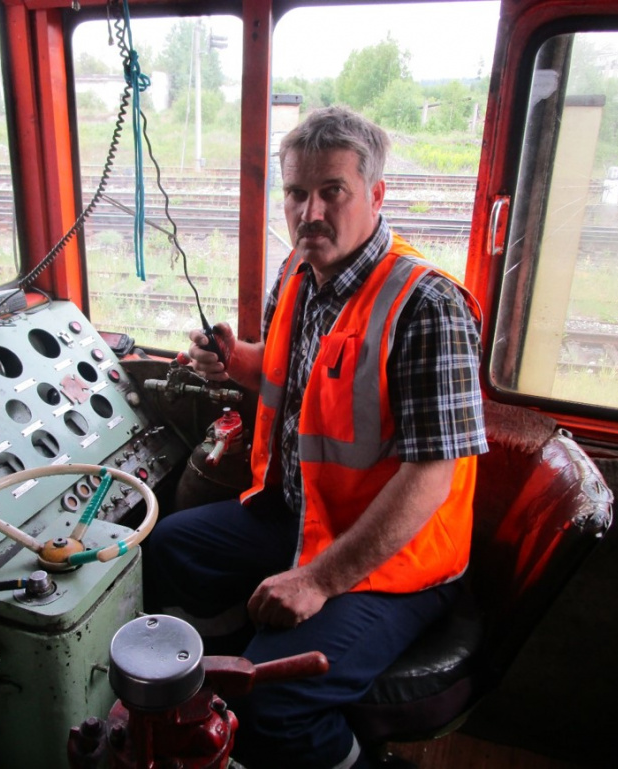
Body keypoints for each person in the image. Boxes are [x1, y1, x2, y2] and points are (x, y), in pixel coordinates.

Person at [143, 105, 487, 769]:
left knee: (271, 702)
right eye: (297, 193)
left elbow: (430, 478)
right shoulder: (298, 274)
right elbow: (289, 375)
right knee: (164, 550)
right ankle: (216, 679)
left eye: (333, 191)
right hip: (304, 518)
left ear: (375, 194)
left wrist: (317, 581)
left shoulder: (427, 306)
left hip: (396, 561)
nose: (310, 212)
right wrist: (232, 359)